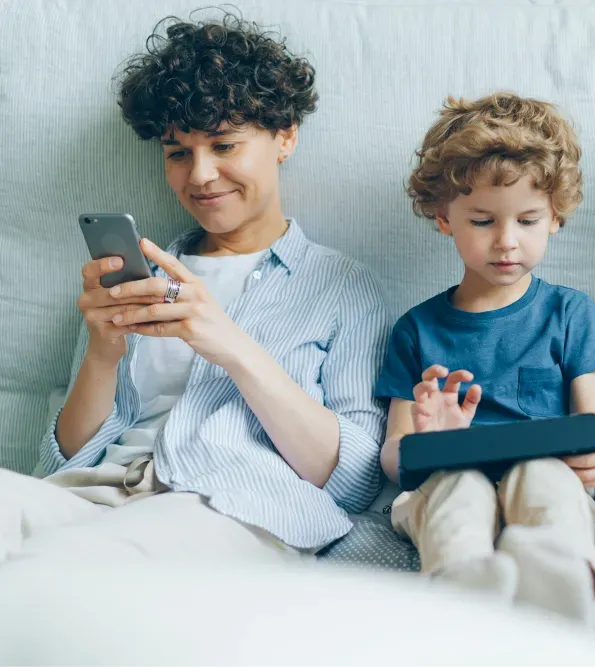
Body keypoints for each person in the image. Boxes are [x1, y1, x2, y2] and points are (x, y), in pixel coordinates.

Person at [1, 13, 390, 563]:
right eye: (178, 152)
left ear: (285, 137)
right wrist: (102, 352)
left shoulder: (341, 287)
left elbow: (353, 482)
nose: (200, 175)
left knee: (87, 560)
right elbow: (61, 462)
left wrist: (230, 345)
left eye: (224, 145)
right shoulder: (143, 276)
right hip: (98, 494)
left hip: (229, 505)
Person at [375, 93, 595, 621]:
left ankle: (562, 583)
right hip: (442, 483)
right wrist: (426, 442)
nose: (506, 243)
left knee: (542, 475)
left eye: (528, 221)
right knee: (459, 488)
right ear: (445, 218)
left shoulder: (571, 314)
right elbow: (394, 459)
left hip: (549, 482)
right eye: (483, 221)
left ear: (555, 217)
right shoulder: (416, 330)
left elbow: (593, 431)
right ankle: (463, 596)